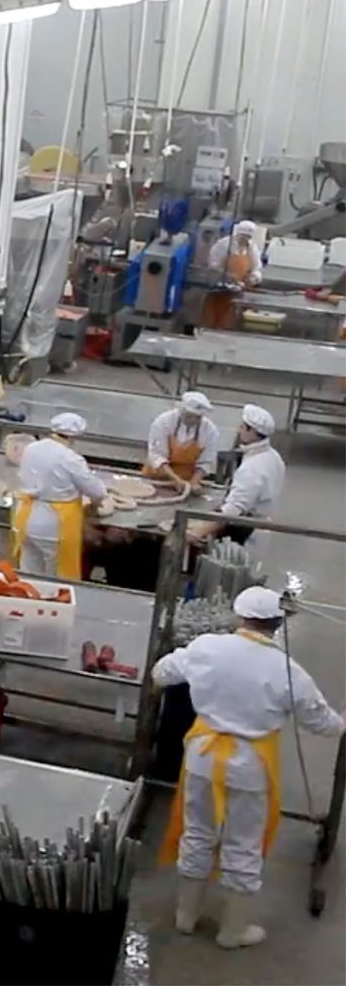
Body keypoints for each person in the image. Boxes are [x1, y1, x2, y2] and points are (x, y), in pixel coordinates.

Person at [156, 586, 344, 948]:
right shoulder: (289, 671)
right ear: (279, 622)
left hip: (202, 757)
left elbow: (163, 672)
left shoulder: (207, 647)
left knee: (197, 832)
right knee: (243, 844)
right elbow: (322, 721)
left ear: (240, 615)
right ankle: (232, 930)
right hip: (251, 767)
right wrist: (342, 721)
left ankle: (186, 916)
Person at [9, 412, 107, 580]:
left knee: (28, 574)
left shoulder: (31, 448)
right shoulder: (71, 459)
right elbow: (96, 491)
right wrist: (96, 505)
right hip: (53, 525)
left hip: (25, 518)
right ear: (74, 436)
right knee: (55, 578)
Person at [194, 404, 285, 551]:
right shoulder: (273, 456)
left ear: (253, 432)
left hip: (246, 532)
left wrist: (197, 533)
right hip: (261, 527)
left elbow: (233, 510)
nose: (239, 430)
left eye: (243, 427)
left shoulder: (252, 468)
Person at [145, 391, 219, 488]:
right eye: (189, 416)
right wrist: (175, 479)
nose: (192, 420)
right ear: (181, 410)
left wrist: (193, 483)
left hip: (186, 478)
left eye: (197, 418)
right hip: (156, 476)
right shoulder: (163, 422)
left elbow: (206, 462)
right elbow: (157, 455)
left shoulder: (210, 431)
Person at [200, 220, 261, 330]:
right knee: (213, 321)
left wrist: (254, 277)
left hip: (239, 294)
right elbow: (213, 267)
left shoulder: (252, 248)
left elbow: (256, 267)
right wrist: (228, 277)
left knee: (231, 323)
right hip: (219, 293)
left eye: (248, 237)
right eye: (243, 236)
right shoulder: (223, 245)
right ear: (237, 234)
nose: (245, 240)